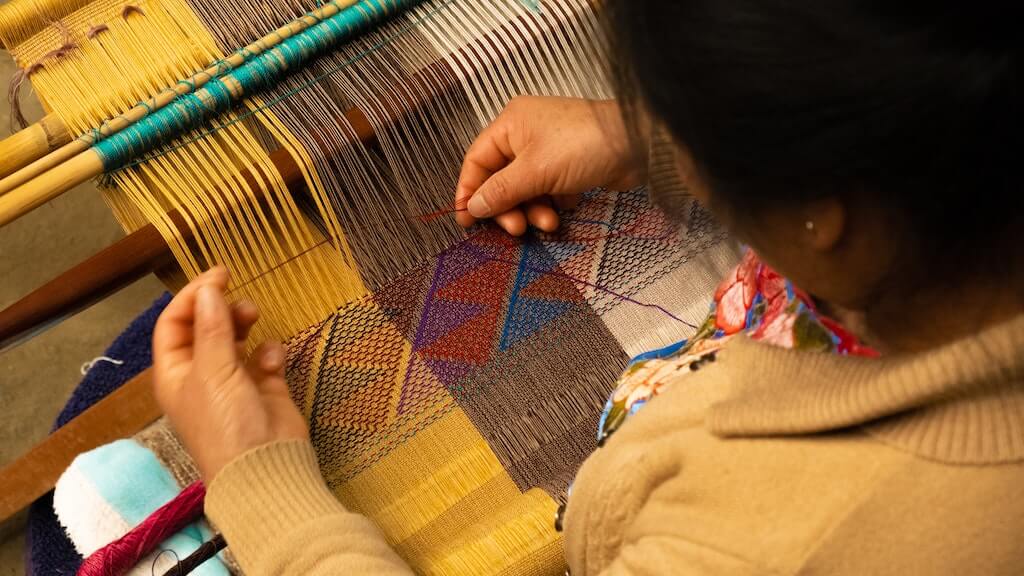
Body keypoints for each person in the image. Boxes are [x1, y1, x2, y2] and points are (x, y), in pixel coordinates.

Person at [152, 1, 1023, 574]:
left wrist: (262, 486)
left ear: (819, 205)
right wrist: (639, 139)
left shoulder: (769, 544)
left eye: (671, 113)